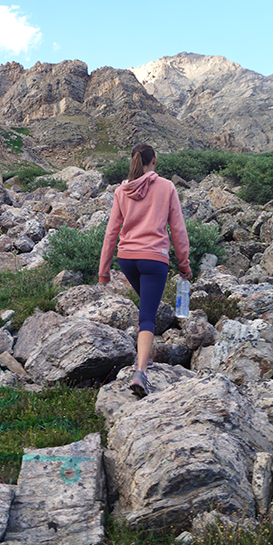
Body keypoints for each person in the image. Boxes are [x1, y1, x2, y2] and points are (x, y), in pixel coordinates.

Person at [98, 143, 191, 398]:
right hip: (154, 259)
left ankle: (144, 355)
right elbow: (178, 229)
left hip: (127, 258)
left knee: (146, 308)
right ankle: (141, 371)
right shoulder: (166, 187)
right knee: (147, 316)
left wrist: (103, 270)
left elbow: (111, 232)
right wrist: (184, 265)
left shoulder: (121, 190)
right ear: (155, 160)